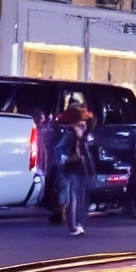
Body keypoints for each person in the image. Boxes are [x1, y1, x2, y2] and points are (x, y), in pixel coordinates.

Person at [52, 98, 93, 237]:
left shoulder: (79, 134)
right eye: (82, 119)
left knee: (79, 197)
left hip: (79, 167)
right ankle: (74, 225)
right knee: (74, 197)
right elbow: (59, 150)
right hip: (74, 167)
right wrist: (66, 159)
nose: (85, 122)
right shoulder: (70, 133)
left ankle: (78, 224)